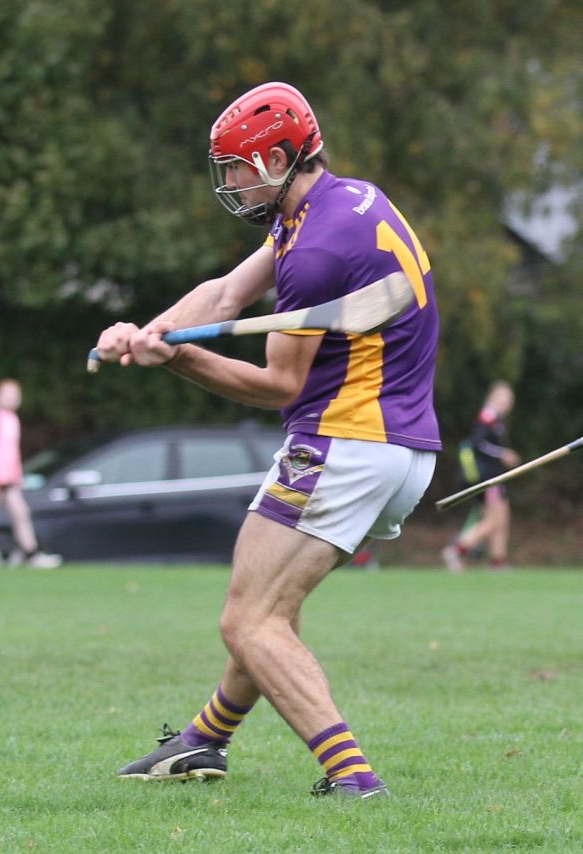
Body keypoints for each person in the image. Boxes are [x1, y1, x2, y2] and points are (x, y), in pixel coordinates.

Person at [94, 81, 440, 799]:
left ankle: (353, 778)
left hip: (342, 445)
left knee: (249, 620)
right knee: (267, 608)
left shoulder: (316, 249)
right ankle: (203, 742)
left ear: (279, 157)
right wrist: (148, 332)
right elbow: (225, 295)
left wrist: (181, 360)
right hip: (395, 449)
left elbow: (278, 385)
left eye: (237, 168)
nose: (229, 182)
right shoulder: (337, 204)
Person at [0, 379, 61, 569]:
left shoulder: (12, 419)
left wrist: (17, 475)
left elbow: (13, 453)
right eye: (7, 394)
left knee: (21, 513)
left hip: (9, 479)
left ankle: (31, 554)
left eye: (15, 395)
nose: (12, 398)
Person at [442, 381, 519, 572]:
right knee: (493, 520)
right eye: (502, 398)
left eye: (509, 399)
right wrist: (503, 454)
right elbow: (478, 444)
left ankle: (498, 563)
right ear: (491, 397)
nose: (506, 402)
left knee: (502, 519)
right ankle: (456, 550)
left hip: (496, 477)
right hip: (488, 478)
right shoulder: (487, 417)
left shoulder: (496, 419)